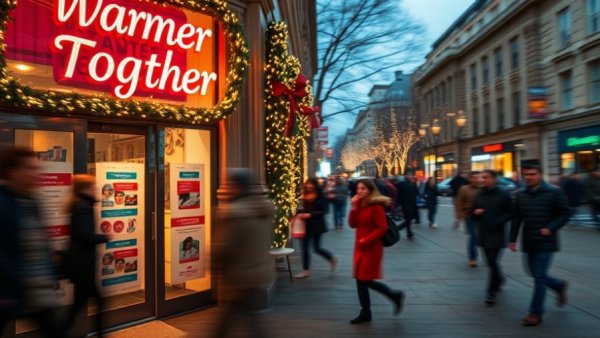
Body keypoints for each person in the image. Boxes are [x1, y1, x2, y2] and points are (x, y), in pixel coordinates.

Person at [0, 146, 64, 337]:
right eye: (31, 168)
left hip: (37, 293)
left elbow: (41, 244)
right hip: (10, 291)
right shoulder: (3, 204)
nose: (38, 173)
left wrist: (53, 273)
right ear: (14, 172)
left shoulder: (33, 201)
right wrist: (20, 279)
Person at [509, 162, 572, 326]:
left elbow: (565, 213)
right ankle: (559, 285)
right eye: (526, 175)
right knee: (532, 272)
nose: (529, 177)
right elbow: (517, 219)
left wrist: (551, 228)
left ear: (540, 174)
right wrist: (512, 239)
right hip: (529, 240)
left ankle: (535, 313)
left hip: (547, 241)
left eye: (532, 174)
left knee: (538, 276)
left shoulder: (553, 192)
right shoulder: (521, 194)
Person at [214, 168, 274, 338]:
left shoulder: (235, 213)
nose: (229, 189)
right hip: (258, 274)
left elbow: (225, 247)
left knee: (230, 319)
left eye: (231, 185)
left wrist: (217, 267)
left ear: (238, 187)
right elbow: (269, 239)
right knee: (247, 319)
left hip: (239, 276)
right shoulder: (262, 209)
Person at [348, 179, 405, 324]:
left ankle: (394, 295)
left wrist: (366, 240)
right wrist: (354, 207)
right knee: (360, 280)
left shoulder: (376, 206)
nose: (359, 191)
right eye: (358, 188)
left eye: (363, 188)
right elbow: (352, 224)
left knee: (365, 279)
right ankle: (365, 311)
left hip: (372, 248)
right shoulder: (359, 204)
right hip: (360, 248)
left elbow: (382, 228)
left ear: (370, 190)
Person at [62, 175, 110, 337]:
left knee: (79, 304)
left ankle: (60, 331)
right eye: (93, 187)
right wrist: (104, 237)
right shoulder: (83, 206)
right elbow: (84, 236)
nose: (95, 190)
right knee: (97, 301)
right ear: (85, 189)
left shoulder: (80, 204)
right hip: (82, 265)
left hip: (80, 264)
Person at [471, 170, 513, 306]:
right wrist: (476, 212)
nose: (483, 180)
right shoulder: (479, 194)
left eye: (486, 177)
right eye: (482, 177)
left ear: (495, 179)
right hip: (483, 233)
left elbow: (511, 213)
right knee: (489, 262)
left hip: (497, 233)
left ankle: (491, 292)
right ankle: (499, 279)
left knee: (493, 261)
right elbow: (472, 212)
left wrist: (498, 220)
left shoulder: (503, 194)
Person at [295, 178, 338, 278]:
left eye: (310, 184)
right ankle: (305, 271)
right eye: (307, 184)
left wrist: (310, 215)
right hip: (305, 225)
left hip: (317, 225)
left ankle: (331, 258)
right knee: (304, 248)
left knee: (317, 248)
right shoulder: (304, 195)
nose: (308, 186)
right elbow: (301, 209)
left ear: (315, 185)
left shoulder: (320, 195)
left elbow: (323, 211)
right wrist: (298, 214)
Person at [456, 171, 482, 267]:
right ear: (469, 179)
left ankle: (482, 254)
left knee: (480, 236)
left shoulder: (483, 189)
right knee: (473, 235)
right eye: (473, 177)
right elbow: (459, 202)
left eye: (477, 177)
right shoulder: (464, 189)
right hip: (469, 216)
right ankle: (472, 258)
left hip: (482, 216)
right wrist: (459, 216)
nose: (475, 180)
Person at [396, 171, 419, 239]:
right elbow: (399, 195)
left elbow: (417, 193)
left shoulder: (412, 184)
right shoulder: (402, 184)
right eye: (409, 175)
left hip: (412, 204)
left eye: (411, 175)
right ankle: (409, 233)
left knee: (409, 219)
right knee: (408, 219)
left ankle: (399, 228)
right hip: (406, 205)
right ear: (406, 176)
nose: (411, 176)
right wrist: (398, 204)